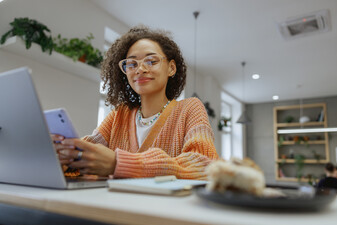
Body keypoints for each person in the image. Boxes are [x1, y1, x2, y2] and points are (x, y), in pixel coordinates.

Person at [52, 25, 218, 180]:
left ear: (171, 68)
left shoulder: (190, 108)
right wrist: (62, 152)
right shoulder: (119, 115)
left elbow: (204, 165)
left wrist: (119, 163)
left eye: (151, 61)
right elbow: (86, 153)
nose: (140, 69)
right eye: (132, 64)